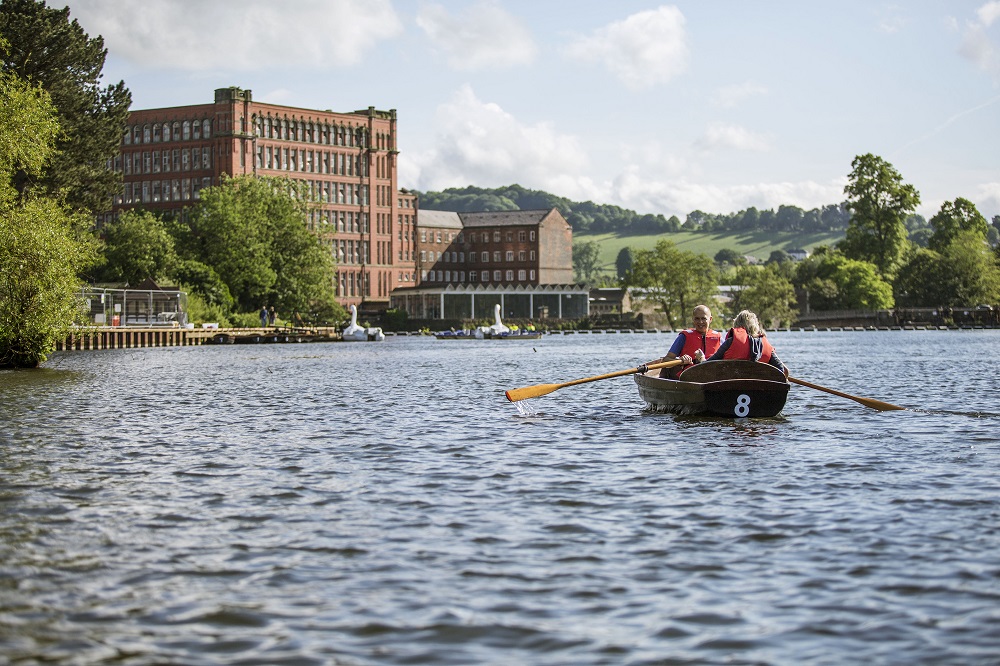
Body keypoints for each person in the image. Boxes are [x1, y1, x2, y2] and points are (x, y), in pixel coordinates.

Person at [705, 309, 789, 377]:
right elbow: (781, 370)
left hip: (731, 385)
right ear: (755, 326)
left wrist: (701, 360)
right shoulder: (765, 344)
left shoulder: (731, 341)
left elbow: (709, 364)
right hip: (759, 387)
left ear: (737, 325)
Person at [647, 304, 722, 378]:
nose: (700, 322)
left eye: (703, 318)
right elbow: (666, 360)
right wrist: (680, 360)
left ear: (710, 319)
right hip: (689, 376)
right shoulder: (684, 337)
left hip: (713, 375)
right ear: (693, 319)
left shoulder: (718, 338)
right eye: (697, 319)